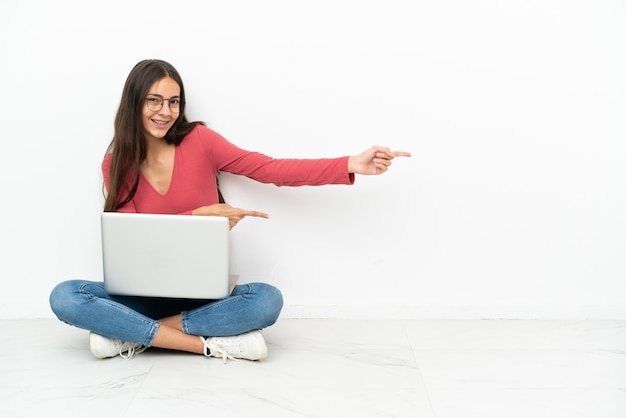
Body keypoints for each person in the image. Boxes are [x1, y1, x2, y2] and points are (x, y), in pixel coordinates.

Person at [49, 59, 411, 362]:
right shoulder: (116, 164)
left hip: (201, 294)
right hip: (140, 296)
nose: (165, 112)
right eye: (154, 101)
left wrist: (349, 163)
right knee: (65, 295)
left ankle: (129, 335)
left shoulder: (200, 141)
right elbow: (131, 242)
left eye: (174, 102)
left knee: (266, 300)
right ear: (134, 103)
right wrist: (198, 218)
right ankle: (206, 344)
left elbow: (271, 169)